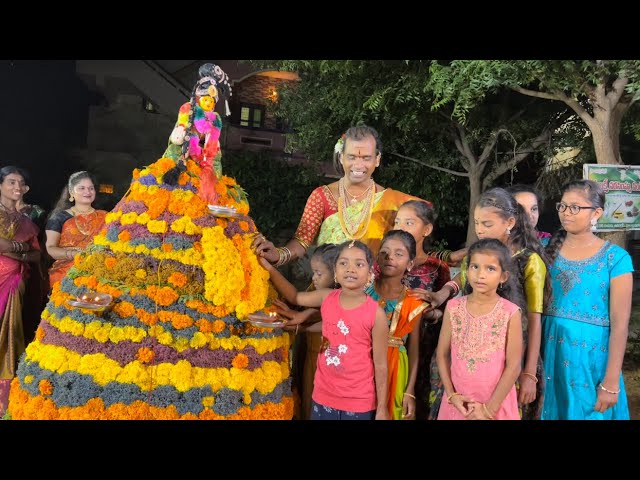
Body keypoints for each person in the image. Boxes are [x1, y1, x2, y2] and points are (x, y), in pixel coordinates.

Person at [424, 187, 551, 420]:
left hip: (512, 361)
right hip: (462, 361)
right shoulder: (476, 255)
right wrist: (443, 293)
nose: (480, 230)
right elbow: (462, 280)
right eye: (477, 223)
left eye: (487, 224)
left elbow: (534, 319)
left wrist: (529, 372)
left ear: (510, 222)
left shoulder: (529, 261)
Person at [260, 240, 389, 420]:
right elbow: (295, 297)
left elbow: (381, 365)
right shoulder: (327, 298)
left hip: (358, 401)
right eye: (343, 263)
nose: (350, 269)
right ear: (335, 271)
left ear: (370, 273)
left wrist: (382, 409)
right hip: (323, 396)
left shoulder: (376, 314)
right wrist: (269, 268)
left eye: (359, 264)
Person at [542, 180, 633, 420]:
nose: (565, 213)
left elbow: (620, 325)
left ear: (597, 213)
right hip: (546, 350)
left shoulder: (616, 258)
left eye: (575, 207)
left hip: (591, 361)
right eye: (562, 206)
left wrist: (611, 381)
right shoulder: (543, 249)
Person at [437, 238, 523, 420]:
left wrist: (488, 410)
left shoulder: (510, 312)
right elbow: (442, 354)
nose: (480, 274)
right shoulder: (453, 307)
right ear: (467, 270)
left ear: (503, 277)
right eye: (475, 267)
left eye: (490, 269)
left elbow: (513, 366)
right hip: (458, 405)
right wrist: (451, 395)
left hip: (494, 406)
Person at [393, 200, 452, 419]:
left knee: (419, 401)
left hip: (426, 345)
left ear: (426, 230)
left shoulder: (436, 267)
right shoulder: (384, 264)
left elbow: (447, 310)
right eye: (397, 222)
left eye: (409, 222)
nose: (401, 227)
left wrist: (433, 315)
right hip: (392, 343)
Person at [365, 229, 428, 419]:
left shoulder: (413, 302)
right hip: (362, 364)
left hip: (396, 368)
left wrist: (410, 391)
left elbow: (414, 350)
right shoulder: (363, 293)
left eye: (398, 254)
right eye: (384, 252)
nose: (390, 257)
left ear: (410, 264)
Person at [272, 243, 339, 420]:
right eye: (313, 272)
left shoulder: (333, 298)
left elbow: (294, 296)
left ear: (336, 273)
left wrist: (269, 269)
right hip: (311, 360)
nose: (314, 278)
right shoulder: (317, 292)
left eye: (319, 273)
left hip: (326, 365)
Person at [0, 166, 41, 416]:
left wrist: (13, 250)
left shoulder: (27, 221)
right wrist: (18, 248)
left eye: (21, 182)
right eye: (11, 182)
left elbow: (36, 255)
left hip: (17, 281)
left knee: (11, 334)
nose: (17, 187)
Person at [45, 171, 107, 289]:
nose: (87, 192)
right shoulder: (59, 218)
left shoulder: (105, 217)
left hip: (99, 271)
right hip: (66, 273)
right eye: (82, 188)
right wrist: (75, 255)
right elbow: (50, 248)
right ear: (71, 192)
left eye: (91, 188)